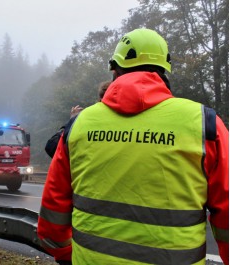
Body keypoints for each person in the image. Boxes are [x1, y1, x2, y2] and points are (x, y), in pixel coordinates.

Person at [38, 28, 229, 265]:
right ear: (164, 70)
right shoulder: (205, 125)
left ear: (114, 69)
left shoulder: (79, 124)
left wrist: (69, 256)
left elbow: (52, 213)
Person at [45, 81, 111, 158]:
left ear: (100, 98)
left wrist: (73, 121)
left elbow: (52, 147)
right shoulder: (126, 121)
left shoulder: (87, 120)